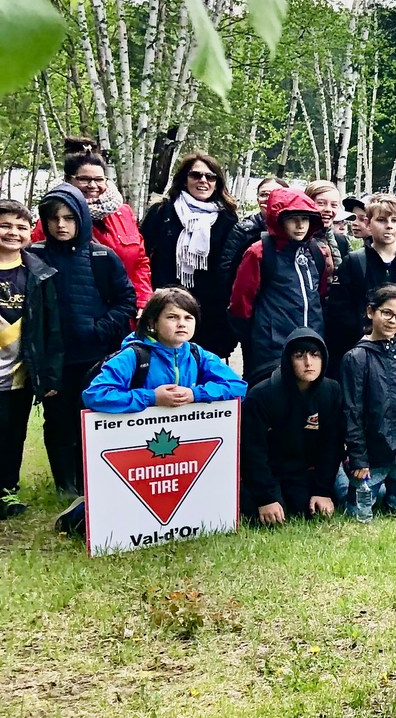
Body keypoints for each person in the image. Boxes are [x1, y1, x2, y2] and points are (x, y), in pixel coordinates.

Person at [32, 182, 137, 496]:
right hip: (54, 358)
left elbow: (126, 301)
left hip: (95, 356)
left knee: (93, 417)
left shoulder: (103, 257)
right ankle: (65, 483)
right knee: (58, 419)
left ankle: (95, 477)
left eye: (69, 217)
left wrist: (99, 330)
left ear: (81, 218)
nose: (61, 225)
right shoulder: (33, 256)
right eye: (54, 218)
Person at [82, 285, 245, 416]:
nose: (182, 323)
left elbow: (238, 386)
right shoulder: (133, 356)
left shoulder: (197, 354)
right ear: (153, 323)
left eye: (188, 318)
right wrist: (151, 397)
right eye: (172, 317)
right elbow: (95, 394)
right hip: (136, 442)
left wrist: (194, 394)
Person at [340, 285, 396, 522]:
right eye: (387, 313)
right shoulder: (356, 357)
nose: (393, 321)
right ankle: (343, 483)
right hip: (372, 457)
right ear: (371, 312)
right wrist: (358, 458)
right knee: (360, 516)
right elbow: (352, 411)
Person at [228, 185, 332, 387]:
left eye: (305, 219)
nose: (300, 225)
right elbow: (241, 302)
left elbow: (319, 294)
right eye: (293, 218)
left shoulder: (315, 252)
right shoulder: (259, 252)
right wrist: (256, 336)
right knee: (267, 399)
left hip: (311, 341)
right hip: (271, 346)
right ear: (279, 219)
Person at [241, 326, 345, 524]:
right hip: (271, 470)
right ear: (288, 360)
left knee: (306, 510)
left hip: (303, 471)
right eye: (300, 356)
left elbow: (332, 446)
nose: (308, 363)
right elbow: (252, 450)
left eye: (315, 356)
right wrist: (267, 497)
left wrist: (322, 491)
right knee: (263, 514)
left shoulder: (331, 391)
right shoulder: (262, 395)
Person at [139, 151, 237, 356]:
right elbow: (142, 257)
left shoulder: (227, 219)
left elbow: (232, 267)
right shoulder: (162, 212)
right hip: (166, 305)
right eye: (196, 175)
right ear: (184, 179)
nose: (203, 181)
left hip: (210, 310)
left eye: (210, 177)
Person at [0, 200, 60, 515]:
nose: (13, 232)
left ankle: (7, 491)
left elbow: (51, 330)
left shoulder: (39, 274)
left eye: (21, 227)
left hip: (19, 375)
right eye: (5, 225)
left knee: (12, 435)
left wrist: (49, 375)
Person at [34, 151, 149, 305]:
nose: (93, 185)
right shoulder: (53, 220)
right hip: (77, 309)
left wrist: (143, 300)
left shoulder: (124, 212)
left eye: (99, 179)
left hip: (125, 307)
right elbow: (35, 264)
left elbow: (140, 262)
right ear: (68, 180)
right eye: (84, 179)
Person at [330, 193, 396, 360]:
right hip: (364, 349)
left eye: (394, 220)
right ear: (368, 223)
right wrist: (364, 332)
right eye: (382, 220)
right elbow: (340, 308)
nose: (389, 226)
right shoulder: (354, 263)